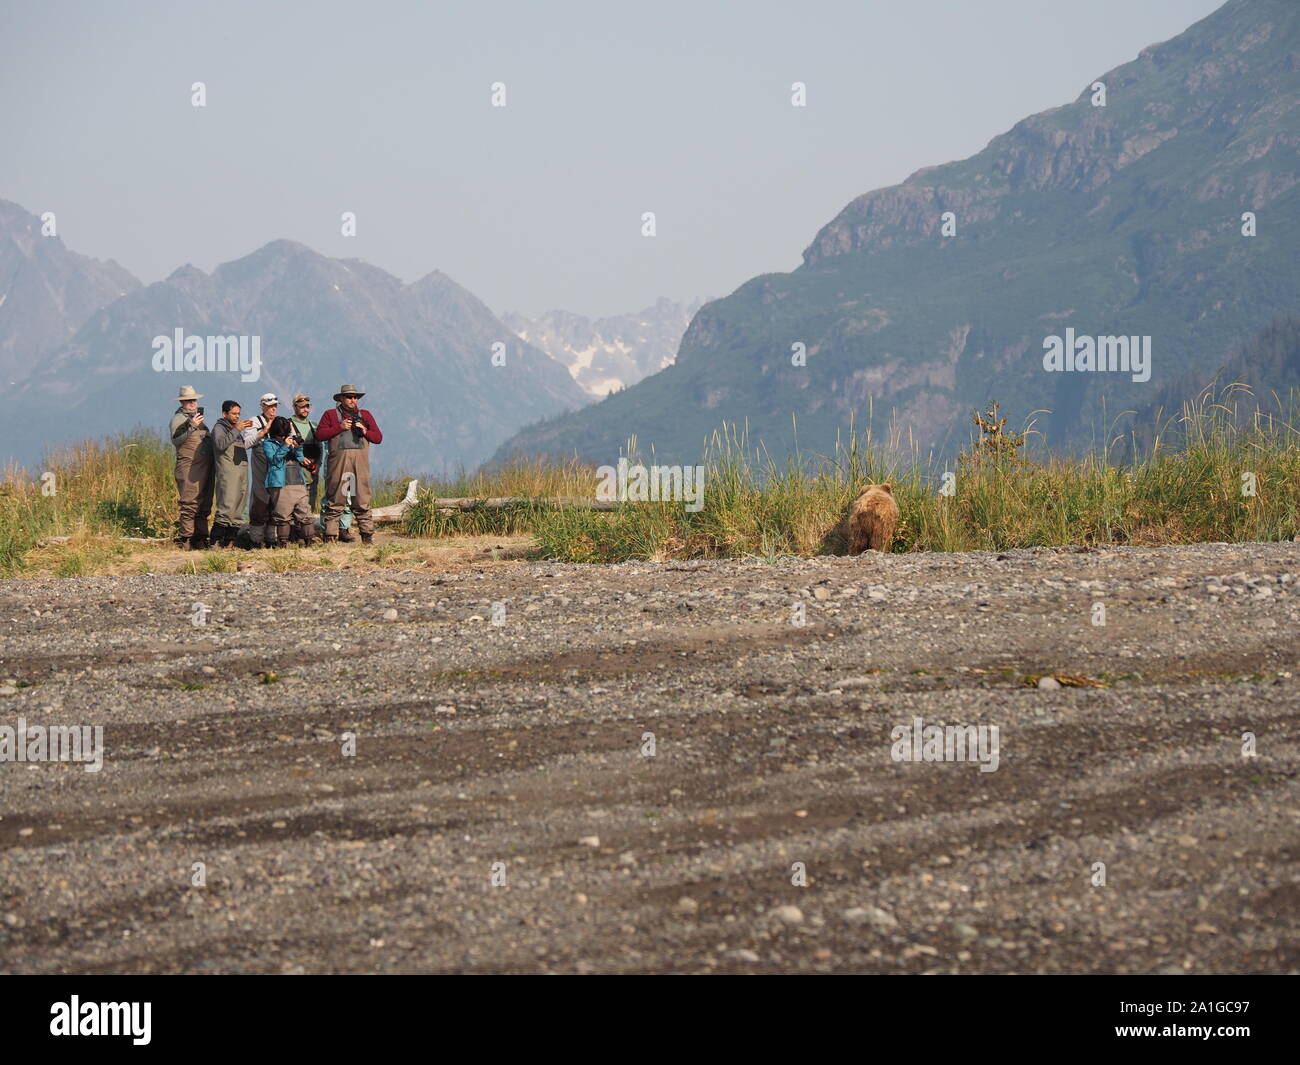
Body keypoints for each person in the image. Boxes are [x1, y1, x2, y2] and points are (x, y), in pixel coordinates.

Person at [316, 383, 383, 545]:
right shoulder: (330, 415)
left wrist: (365, 430)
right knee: (335, 499)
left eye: (355, 397)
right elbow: (319, 435)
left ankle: (367, 536)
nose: (353, 400)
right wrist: (339, 427)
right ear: (341, 398)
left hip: (360, 465)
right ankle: (330, 537)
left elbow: (378, 438)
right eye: (349, 397)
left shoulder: (365, 415)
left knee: (362, 499)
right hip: (338, 464)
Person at [168, 384, 214, 550]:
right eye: (188, 401)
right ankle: (186, 539)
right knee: (189, 503)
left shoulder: (199, 419)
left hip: (204, 468)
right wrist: (192, 425)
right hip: (189, 467)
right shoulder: (179, 419)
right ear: (182, 403)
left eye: (194, 400)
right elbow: (176, 439)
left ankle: (201, 538)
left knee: (204, 503)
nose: (192, 403)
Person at [260, 416, 316, 547]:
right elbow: (274, 460)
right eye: (281, 435)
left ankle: (309, 541)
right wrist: (285, 446)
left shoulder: (290, 440)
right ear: (275, 433)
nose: (283, 437)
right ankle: (283, 543)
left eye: (285, 434)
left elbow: (300, 457)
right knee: (282, 515)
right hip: (280, 484)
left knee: (305, 513)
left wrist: (298, 447)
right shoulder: (268, 443)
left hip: (297, 481)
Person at [210, 400, 255, 547]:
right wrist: (237, 429)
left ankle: (229, 543)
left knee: (238, 509)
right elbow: (220, 444)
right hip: (228, 474)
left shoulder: (235, 429)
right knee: (227, 507)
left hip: (241, 474)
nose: (237, 416)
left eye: (238, 414)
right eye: (234, 413)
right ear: (225, 413)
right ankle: (215, 542)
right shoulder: (220, 428)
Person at [246, 393, 280, 547]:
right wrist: (263, 433)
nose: (273, 409)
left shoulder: (281, 422)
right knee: (260, 502)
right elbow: (246, 443)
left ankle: (272, 539)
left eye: (275, 405)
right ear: (262, 406)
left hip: (276, 470)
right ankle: (256, 540)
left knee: (276, 502)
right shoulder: (254, 421)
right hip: (260, 470)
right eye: (269, 406)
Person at [288, 393, 325, 520]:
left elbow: (321, 447)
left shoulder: (314, 425)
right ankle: (296, 528)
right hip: (295, 469)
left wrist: (318, 465)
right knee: (298, 499)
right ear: (294, 407)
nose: (305, 409)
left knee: (312, 498)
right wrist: (301, 459)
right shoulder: (289, 425)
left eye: (307, 406)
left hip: (313, 469)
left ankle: (309, 526)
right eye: (302, 407)